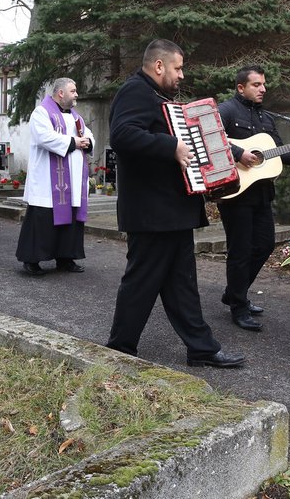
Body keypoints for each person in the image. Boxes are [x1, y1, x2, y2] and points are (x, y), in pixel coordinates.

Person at [105, 38, 245, 368]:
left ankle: (202, 348)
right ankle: (119, 348)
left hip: (171, 211)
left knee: (182, 285)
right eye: (178, 68)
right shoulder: (136, 91)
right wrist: (171, 147)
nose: (181, 75)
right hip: (152, 212)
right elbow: (121, 135)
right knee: (141, 282)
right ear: (159, 66)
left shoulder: (158, 97)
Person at [216, 65, 290, 331]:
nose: (263, 89)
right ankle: (238, 305)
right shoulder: (226, 110)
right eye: (256, 85)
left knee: (264, 245)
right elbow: (209, 138)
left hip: (261, 193)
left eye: (263, 85)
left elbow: (277, 152)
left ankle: (233, 292)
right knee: (239, 251)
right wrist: (239, 153)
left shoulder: (266, 119)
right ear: (241, 87)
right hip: (235, 192)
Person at [16, 78, 94, 276]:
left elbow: (89, 135)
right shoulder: (41, 112)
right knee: (42, 222)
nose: (77, 94)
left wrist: (86, 142)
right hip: (47, 182)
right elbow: (44, 137)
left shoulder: (76, 117)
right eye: (73, 91)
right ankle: (31, 260)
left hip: (73, 181)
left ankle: (65, 259)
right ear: (61, 93)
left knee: (71, 221)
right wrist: (75, 142)